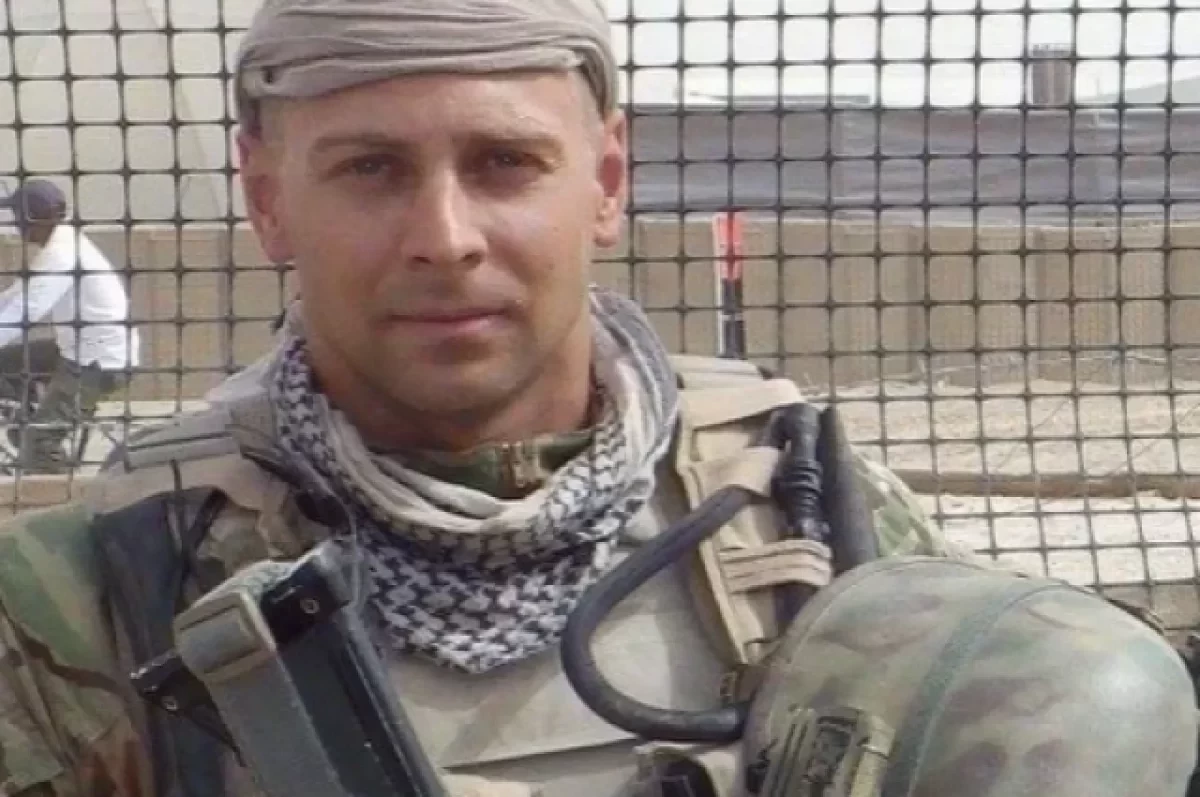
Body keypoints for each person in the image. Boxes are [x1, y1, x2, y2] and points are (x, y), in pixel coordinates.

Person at [0, 3, 1190, 797]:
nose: (445, 237)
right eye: (370, 169)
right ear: (267, 200)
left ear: (607, 181)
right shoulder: (99, 592)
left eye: (504, 163)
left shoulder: (799, 516)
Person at [0, 179, 139, 472]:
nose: (16, 224)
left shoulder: (63, 254)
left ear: (36, 217)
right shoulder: (60, 243)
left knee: (39, 445)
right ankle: (27, 423)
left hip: (97, 363)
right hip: (76, 350)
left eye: (19, 216)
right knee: (5, 362)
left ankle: (54, 473)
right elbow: (16, 296)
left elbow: (26, 310)